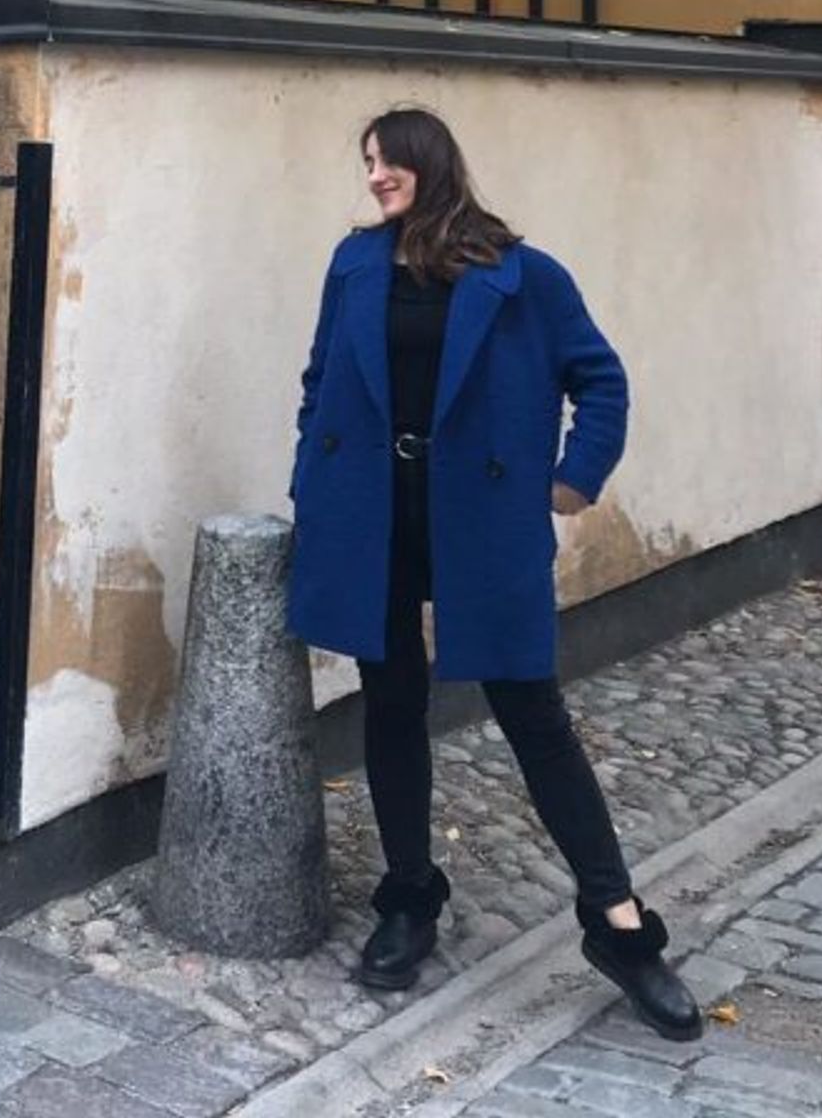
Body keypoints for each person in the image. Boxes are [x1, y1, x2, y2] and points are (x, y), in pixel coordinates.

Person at [287, 106, 700, 1040]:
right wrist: (310, 478)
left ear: (430, 164)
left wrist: (573, 479)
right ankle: (408, 897)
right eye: (367, 164)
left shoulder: (523, 275)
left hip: (481, 518)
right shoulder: (354, 266)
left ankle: (618, 922)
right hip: (373, 515)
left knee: (533, 716)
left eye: (388, 160)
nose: (376, 176)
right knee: (390, 704)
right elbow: (319, 380)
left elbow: (602, 380)